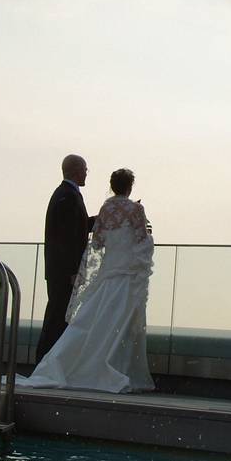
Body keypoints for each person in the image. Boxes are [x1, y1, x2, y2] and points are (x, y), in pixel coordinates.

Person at [21, 168, 155, 393]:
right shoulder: (136, 209)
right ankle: (114, 367)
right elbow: (143, 240)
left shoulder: (105, 209)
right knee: (121, 323)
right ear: (130, 187)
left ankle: (69, 362)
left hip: (108, 272)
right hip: (127, 274)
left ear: (113, 186)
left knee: (93, 319)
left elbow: (99, 242)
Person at [35, 154, 95, 363]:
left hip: (59, 270)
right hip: (63, 272)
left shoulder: (66, 194)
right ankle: (45, 362)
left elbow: (78, 227)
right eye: (85, 169)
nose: (87, 173)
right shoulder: (67, 196)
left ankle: (48, 362)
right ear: (76, 170)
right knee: (57, 318)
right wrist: (71, 271)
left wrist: (106, 218)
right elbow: (66, 237)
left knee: (58, 316)